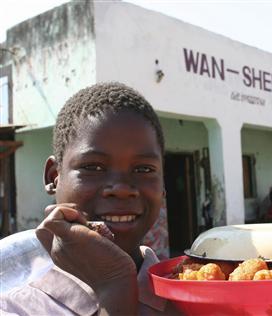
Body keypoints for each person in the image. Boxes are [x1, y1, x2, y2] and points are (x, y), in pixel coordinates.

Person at [1, 82, 179, 315]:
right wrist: (114, 285)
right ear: (54, 177)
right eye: (93, 166)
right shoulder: (17, 306)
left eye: (144, 169)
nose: (122, 189)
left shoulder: (191, 294)